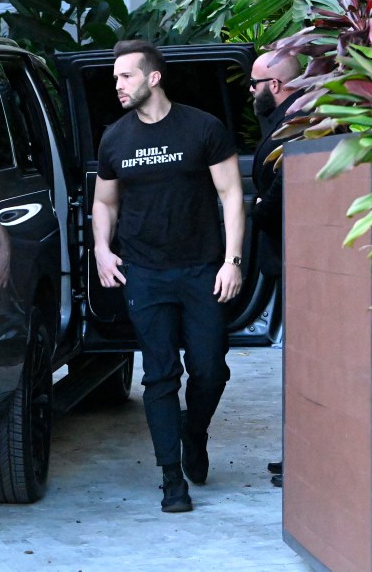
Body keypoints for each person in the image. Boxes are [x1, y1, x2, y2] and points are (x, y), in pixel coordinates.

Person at [92, 39, 245, 513]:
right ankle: (170, 479)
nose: (116, 85)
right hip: (144, 272)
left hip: (201, 269)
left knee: (210, 368)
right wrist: (101, 248)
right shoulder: (115, 137)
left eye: (125, 76)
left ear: (153, 78)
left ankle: (193, 433)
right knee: (159, 376)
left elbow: (232, 195)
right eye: (115, 77)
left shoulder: (202, 128)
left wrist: (232, 261)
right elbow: (104, 201)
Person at [248, 50, 304, 488]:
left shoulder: (295, 124)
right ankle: (294, 454)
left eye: (255, 84)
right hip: (286, 259)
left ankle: (301, 458)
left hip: (296, 259)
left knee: (299, 363)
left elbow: (286, 189)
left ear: (277, 86)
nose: (250, 91)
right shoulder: (283, 120)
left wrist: (257, 209)